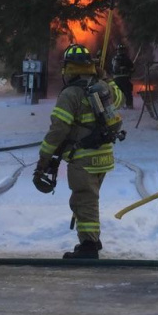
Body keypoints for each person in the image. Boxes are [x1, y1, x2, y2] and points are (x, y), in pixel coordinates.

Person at [32, 44, 124, 259]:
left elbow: (58, 129)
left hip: (83, 158)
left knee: (83, 200)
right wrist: (107, 78)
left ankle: (89, 246)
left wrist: (44, 158)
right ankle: (93, 239)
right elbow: (120, 98)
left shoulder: (70, 94)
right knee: (89, 200)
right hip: (104, 156)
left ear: (69, 68)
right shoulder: (102, 87)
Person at [110, 44, 136, 109]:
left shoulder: (114, 59)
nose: (121, 51)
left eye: (121, 50)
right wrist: (129, 70)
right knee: (127, 92)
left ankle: (119, 105)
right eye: (120, 50)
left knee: (118, 93)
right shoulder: (126, 59)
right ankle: (129, 105)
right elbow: (132, 69)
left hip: (116, 79)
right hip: (124, 78)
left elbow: (111, 68)